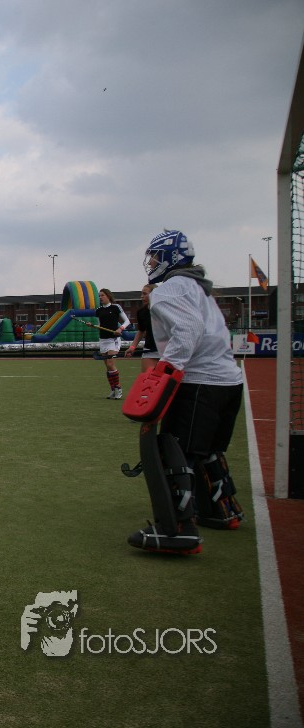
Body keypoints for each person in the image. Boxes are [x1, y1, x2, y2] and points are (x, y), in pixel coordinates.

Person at [127, 230, 245, 554]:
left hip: (199, 381)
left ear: (169, 258)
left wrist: (167, 374)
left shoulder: (170, 290)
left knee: (176, 450)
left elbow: (188, 330)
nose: (151, 264)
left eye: (155, 258)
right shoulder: (199, 288)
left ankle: (178, 528)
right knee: (208, 450)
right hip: (228, 381)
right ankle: (223, 509)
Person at [95, 289, 130, 399]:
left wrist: (120, 329)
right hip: (103, 340)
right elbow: (100, 325)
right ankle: (113, 389)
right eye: (99, 296)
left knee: (111, 364)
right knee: (107, 367)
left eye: (102, 295)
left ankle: (118, 388)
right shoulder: (98, 310)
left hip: (113, 339)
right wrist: (93, 326)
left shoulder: (116, 307)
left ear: (108, 296)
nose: (100, 297)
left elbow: (127, 321)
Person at [124, 284, 160, 373]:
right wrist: (132, 347)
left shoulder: (166, 310)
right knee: (147, 378)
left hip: (167, 351)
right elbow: (141, 331)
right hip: (149, 350)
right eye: (141, 294)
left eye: (145, 294)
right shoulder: (141, 312)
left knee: (167, 380)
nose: (141, 296)